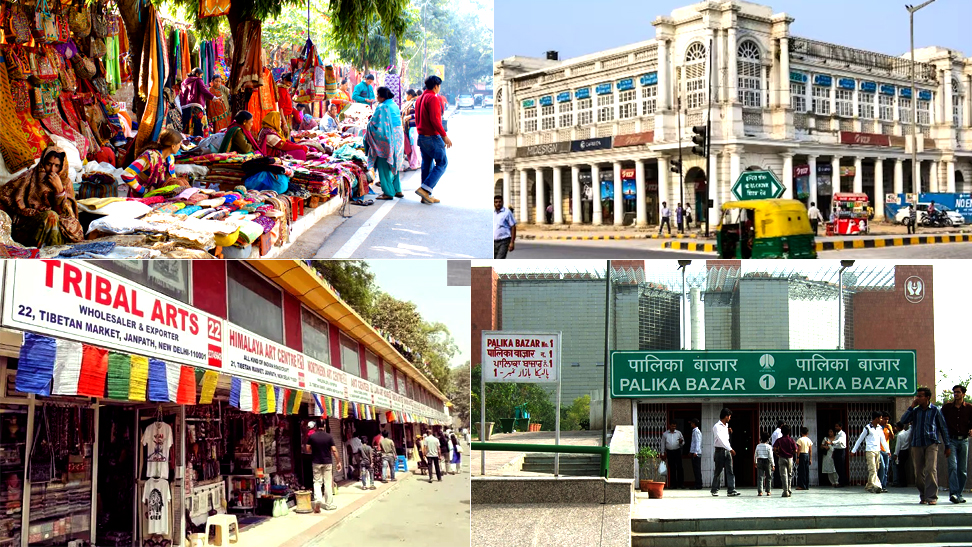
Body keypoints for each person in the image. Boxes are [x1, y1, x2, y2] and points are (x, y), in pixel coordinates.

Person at [0, 145, 83, 248]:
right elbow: (5, 195)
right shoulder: (29, 177)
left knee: (54, 219)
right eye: (49, 164)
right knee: (50, 216)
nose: (52, 170)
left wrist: (59, 191)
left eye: (57, 166)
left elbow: (66, 214)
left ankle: (52, 252)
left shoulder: (65, 183)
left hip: (56, 225)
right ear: (43, 162)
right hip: (29, 227)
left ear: (62, 166)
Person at [901, 387, 952, 505]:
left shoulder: (935, 410)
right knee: (918, 472)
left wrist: (947, 445)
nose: (917, 398)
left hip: (931, 443)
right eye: (917, 396)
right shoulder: (915, 411)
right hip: (917, 444)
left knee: (930, 469)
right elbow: (903, 420)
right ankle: (923, 495)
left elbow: (943, 428)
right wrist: (911, 407)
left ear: (927, 397)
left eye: (920, 396)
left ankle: (932, 496)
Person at [414, 75, 452, 204]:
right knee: (442, 163)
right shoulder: (433, 98)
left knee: (427, 165)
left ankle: (425, 195)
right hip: (432, 136)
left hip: (422, 136)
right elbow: (435, 120)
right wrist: (444, 136)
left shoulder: (419, 98)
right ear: (436, 86)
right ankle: (425, 190)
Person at [365, 87, 406, 200]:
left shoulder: (383, 107)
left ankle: (388, 192)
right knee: (395, 163)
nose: (376, 97)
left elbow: (375, 123)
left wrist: (368, 125)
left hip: (386, 137)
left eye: (377, 95)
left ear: (382, 96)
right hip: (398, 137)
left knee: (383, 163)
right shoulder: (394, 105)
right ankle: (397, 189)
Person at [121, 129, 187, 197]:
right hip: (139, 198)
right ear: (173, 146)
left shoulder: (170, 159)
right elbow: (126, 174)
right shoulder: (150, 157)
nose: (180, 147)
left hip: (156, 197)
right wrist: (143, 191)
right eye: (179, 144)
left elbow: (172, 179)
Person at [942, 384, 971, 503]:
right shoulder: (947, 407)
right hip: (951, 440)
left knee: (962, 470)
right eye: (954, 392)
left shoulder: (969, 408)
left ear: (963, 394)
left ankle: (959, 493)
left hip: (964, 440)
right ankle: (953, 493)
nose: (956, 394)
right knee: (953, 466)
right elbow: (939, 419)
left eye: (958, 392)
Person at [304, 421, 341, 511]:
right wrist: (338, 461)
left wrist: (313, 451)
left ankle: (318, 500)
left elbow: (307, 449)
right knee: (328, 483)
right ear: (324, 426)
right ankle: (329, 505)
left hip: (316, 462)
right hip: (327, 462)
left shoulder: (312, 437)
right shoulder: (329, 436)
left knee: (317, 482)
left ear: (316, 427)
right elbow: (334, 450)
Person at [851, 411, 889, 494]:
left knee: (876, 468)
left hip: (877, 451)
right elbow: (860, 439)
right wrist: (853, 450)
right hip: (870, 451)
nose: (881, 419)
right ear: (876, 418)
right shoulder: (867, 428)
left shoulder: (879, 428)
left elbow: (882, 440)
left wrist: (888, 450)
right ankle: (877, 486)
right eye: (880, 418)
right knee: (872, 469)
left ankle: (869, 485)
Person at [710, 408, 740, 497]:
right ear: (726, 416)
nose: (730, 418)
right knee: (718, 471)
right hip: (720, 450)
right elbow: (721, 439)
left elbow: (726, 439)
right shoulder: (717, 426)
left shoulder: (726, 426)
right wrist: (730, 449)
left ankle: (731, 489)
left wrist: (728, 432)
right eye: (729, 416)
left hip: (727, 450)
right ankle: (715, 489)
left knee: (730, 470)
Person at [179, 67, 215, 137]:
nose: (201, 77)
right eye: (201, 75)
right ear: (197, 74)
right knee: (199, 126)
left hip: (185, 107)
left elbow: (182, 94)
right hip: (197, 106)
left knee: (187, 125)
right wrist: (213, 97)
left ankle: (188, 142)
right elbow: (203, 90)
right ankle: (199, 143)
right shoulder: (198, 80)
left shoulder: (184, 82)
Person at [773, 424, 798, 498]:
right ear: (789, 432)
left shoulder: (779, 440)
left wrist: (777, 454)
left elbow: (774, 448)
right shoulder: (791, 440)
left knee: (783, 475)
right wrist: (791, 453)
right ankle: (789, 490)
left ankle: (785, 491)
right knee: (789, 474)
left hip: (782, 458)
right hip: (790, 458)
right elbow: (796, 450)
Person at [401, 89, 421, 171]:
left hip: (414, 127)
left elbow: (420, 113)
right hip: (410, 127)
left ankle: (414, 164)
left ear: (409, 95)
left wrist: (409, 116)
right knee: (411, 146)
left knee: (414, 146)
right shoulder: (409, 103)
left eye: (406, 95)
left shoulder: (415, 102)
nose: (405, 97)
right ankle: (415, 163)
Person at [661, 421, 685, 489]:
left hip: (677, 451)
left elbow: (683, 443)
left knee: (680, 468)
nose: (673, 427)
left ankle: (681, 484)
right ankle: (673, 484)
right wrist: (662, 453)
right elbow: (663, 444)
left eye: (675, 426)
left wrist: (681, 442)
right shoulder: (665, 434)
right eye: (672, 426)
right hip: (669, 452)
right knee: (672, 468)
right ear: (669, 425)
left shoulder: (678, 433)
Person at [878, 411, 894, 493]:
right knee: (882, 467)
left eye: (887, 419)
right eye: (884, 419)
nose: (886, 421)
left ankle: (884, 486)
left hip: (886, 450)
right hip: (879, 450)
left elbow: (892, 437)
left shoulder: (889, 427)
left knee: (886, 468)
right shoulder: (878, 427)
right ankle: (879, 485)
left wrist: (889, 430)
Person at [755, 431, 774, 496]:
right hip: (767, 461)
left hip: (760, 461)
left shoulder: (758, 446)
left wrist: (755, 462)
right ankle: (768, 491)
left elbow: (755, 454)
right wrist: (773, 464)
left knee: (760, 477)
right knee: (768, 477)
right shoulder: (768, 446)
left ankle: (760, 491)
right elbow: (770, 456)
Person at [893, 422, 911, 487]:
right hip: (906, 451)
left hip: (901, 452)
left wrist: (895, 454)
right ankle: (904, 482)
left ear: (898, 427)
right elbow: (910, 429)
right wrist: (910, 425)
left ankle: (902, 483)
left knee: (901, 468)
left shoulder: (899, 435)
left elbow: (898, 446)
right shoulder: (907, 433)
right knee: (903, 467)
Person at [687, 418, 702, 489]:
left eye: (692, 423)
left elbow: (697, 442)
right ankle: (697, 484)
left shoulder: (696, 431)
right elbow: (693, 443)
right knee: (695, 469)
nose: (691, 424)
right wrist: (691, 451)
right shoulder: (694, 431)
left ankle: (698, 484)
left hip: (697, 453)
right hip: (694, 452)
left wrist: (696, 451)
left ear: (694, 424)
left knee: (697, 469)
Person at [832, 422, 848, 487]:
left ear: (841, 427)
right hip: (836, 451)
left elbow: (839, 441)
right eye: (835, 426)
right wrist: (833, 451)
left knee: (840, 467)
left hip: (841, 451)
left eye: (837, 426)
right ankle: (842, 480)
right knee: (837, 467)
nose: (836, 427)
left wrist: (832, 442)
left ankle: (842, 482)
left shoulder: (842, 434)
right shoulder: (837, 434)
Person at [770, 421, 784, 489]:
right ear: (781, 425)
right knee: (779, 468)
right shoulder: (779, 432)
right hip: (777, 452)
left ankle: (777, 483)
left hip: (775, 451)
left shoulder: (775, 432)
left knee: (778, 468)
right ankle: (778, 483)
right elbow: (779, 442)